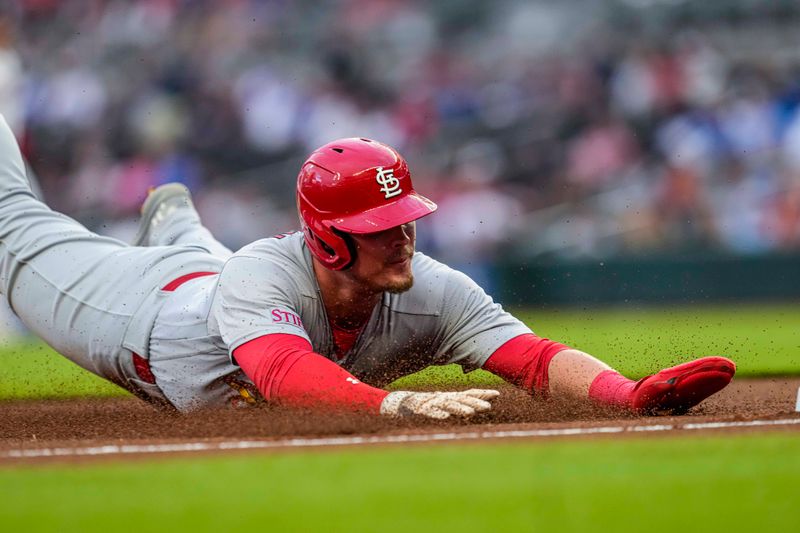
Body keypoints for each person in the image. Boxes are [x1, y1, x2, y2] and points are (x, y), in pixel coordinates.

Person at [0, 116, 735, 418]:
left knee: (204, 257)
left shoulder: (430, 287)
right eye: (378, 229)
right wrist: (392, 404)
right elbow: (283, 374)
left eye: (404, 220)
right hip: (137, 315)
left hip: (211, 280)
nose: (403, 238)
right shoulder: (267, 272)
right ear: (327, 241)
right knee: (13, 219)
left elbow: (534, 358)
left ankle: (178, 223)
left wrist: (628, 393)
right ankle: (177, 230)